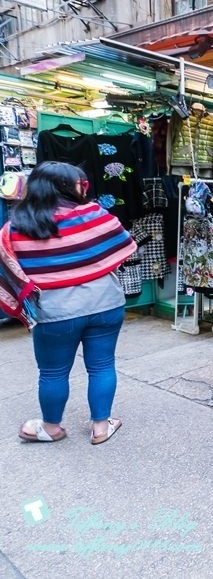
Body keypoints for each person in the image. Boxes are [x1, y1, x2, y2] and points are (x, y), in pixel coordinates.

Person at [0, 161, 136, 444]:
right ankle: (101, 427)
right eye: (79, 183)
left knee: (51, 372)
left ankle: (51, 428)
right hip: (105, 303)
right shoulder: (93, 215)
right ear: (67, 187)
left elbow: (9, 270)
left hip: (54, 311)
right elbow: (123, 246)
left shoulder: (15, 227)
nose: (83, 188)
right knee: (101, 365)